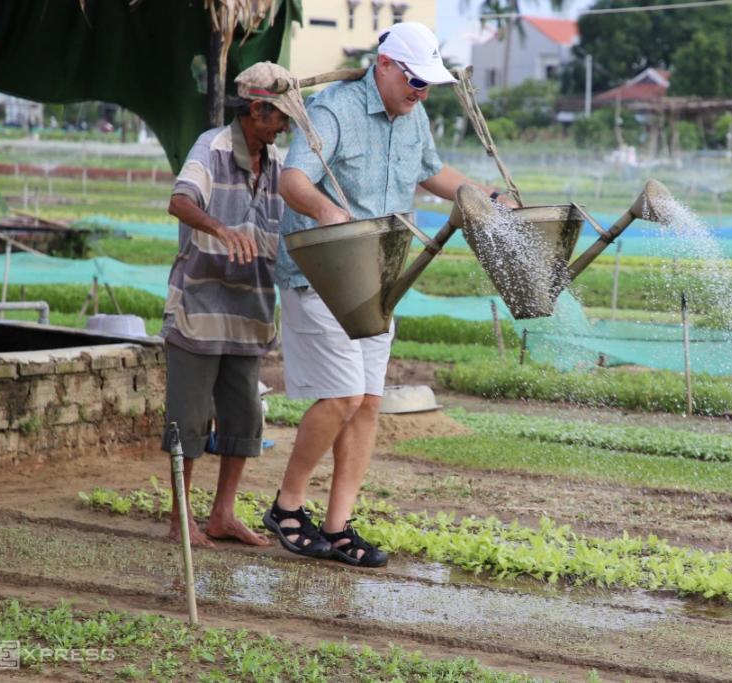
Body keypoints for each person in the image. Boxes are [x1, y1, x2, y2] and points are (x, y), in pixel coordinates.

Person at [266, 22, 517, 567]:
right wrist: (327, 210)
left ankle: (337, 527)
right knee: (342, 397)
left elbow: (431, 171)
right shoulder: (334, 109)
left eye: (428, 85)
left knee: (368, 403)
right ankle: (286, 508)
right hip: (323, 271)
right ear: (384, 66)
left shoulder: (413, 115)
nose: (421, 93)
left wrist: (487, 196)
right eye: (415, 81)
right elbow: (292, 180)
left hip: (380, 275)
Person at [162, 62, 306, 549]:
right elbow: (180, 201)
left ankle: (222, 514)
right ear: (256, 109)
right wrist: (220, 230)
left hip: (250, 312)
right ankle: (180, 519)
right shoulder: (213, 147)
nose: (284, 126)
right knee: (189, 419)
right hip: (199, 309)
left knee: (244, 418)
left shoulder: (279, 165)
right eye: (280, 116)